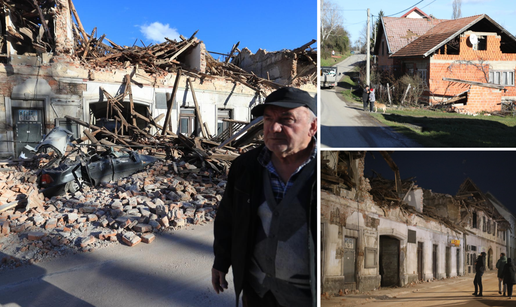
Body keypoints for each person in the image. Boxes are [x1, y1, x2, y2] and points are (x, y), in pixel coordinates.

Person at [212, 87, 317, 307]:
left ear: (312, 127)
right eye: (268, 118)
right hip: (257, 292)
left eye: (287, 120)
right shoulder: (246, 167)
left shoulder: (324, 171)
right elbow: (228, 218)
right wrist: (221, 261)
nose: (274, 127)